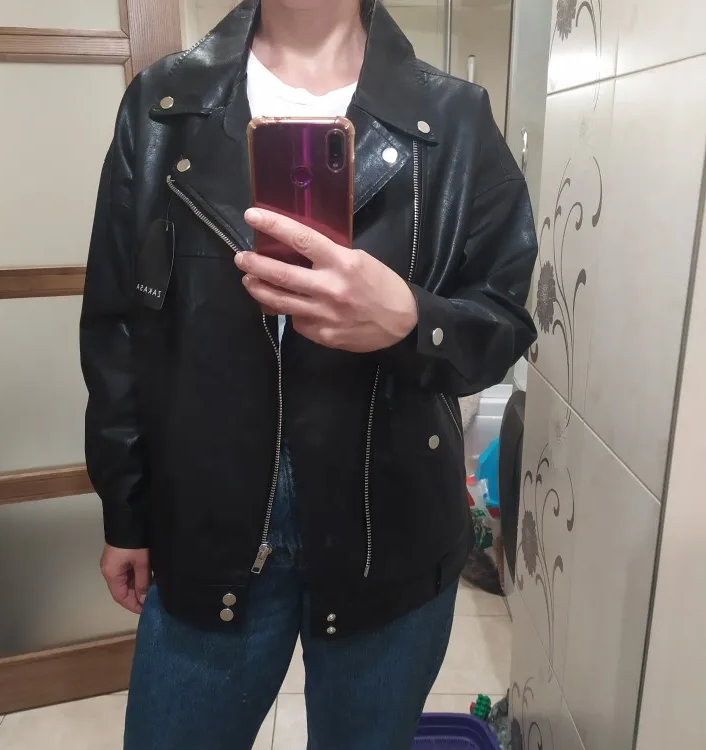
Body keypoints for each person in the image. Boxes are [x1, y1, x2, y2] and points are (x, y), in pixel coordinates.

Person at [80, 1, 538, 748]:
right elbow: (119, 328)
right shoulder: (163, 104)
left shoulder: (454, 118)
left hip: (389, 530)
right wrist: (125, 511)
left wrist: (410, 318)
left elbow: (506, 323)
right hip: (206, 522)